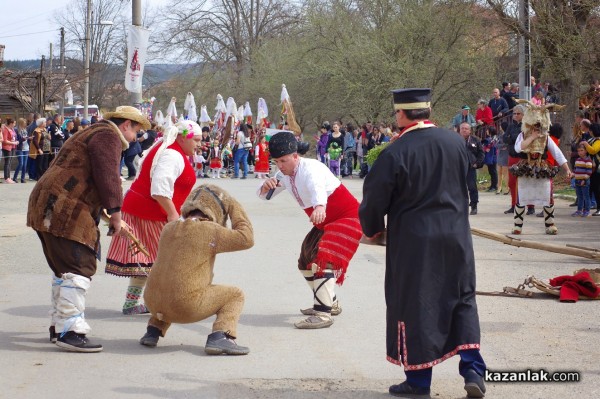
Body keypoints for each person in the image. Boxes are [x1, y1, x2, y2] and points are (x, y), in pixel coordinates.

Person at [359, 88, 487, 399]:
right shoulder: (456, 141)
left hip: (416, 242)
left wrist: (373, 229)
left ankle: (418, 382)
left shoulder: (395, 152)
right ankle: (473, 368)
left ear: (401, 114)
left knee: (415, 304)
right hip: (456, 234)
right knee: (462, 298)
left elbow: (375, 200)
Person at [26, 105, 148, 352]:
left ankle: (59, 327)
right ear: (126, 125)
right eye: (136, 131)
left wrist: (108, 214)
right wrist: (116, 213)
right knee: (78, 265)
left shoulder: (95, 131)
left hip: (50, 204)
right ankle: (70, 331)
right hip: (62, 206)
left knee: (64, 269)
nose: (135, 138)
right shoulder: (108, 135)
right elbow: (108, 176)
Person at [257, 132, 362, 329]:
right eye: (276, 161)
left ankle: (323, 314)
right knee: (305, 260)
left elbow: (317, 188)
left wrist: (320, 206)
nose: (280, 166)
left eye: (283, 161)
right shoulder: (284, 175)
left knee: (323, 259)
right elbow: (266, 196)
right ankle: (331, 303)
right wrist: (265, 187)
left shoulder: (311, 168)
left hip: (347, 217)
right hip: (324, 221)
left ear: (295, 156)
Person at [139, 184, 254, 355]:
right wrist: (234, 206)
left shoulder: (169, 228)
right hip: (184, 307)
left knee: (170, 276)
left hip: (152, 303)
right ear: (217, 210)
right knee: (235, 295)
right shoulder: (210, 230)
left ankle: (153, 330)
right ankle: (221, 336)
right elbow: (247, 238)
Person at [105, 120, 201, 315]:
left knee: (148, 261)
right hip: (150, 212)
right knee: (166, 261)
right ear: (183, 137)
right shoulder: (173, 154)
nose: (199, 144)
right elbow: (159, 190)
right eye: (196, 140)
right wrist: (173, 214)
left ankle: (133, 304)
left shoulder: (166, 147)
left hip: (143, 210)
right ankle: (165, 304)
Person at [509, 103, 572, 235]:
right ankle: (517, 226)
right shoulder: (522, 135)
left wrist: (567, 169)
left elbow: (557, 153)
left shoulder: (546, 137)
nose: (537, 128)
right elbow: (518, 148)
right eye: (534, 126)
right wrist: (532, 137)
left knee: (547, 196)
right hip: (525, 168)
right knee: (522, 197)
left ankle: (550, 225)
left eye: (538, 126)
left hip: (541, 168)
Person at [459, 122, 485, 215]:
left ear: (470, 130)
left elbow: (481, 153)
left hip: (470, 167)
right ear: (459, 129)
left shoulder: (475, 140)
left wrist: (477, 163)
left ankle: (474, 206)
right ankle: (459, 207)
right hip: (458, 168)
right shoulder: (455, 140)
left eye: (466, 128)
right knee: (458, 188)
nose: (464, 130)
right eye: (462, 128)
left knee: (472, 187)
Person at [571, 144, 593, 217]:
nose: (580, 152)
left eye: (582, 150)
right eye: (578, 151)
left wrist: (584, 179)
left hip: (584, 181)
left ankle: (587, 210)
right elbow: (575, 169)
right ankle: (579, 210)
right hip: (577, 180)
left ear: (586, 151)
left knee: (586, 196)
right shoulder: (577, 160)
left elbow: (589, 172)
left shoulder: (588, 160)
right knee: (579, 196)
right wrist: (572, 174)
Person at [1, 118, 18, 183]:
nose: (15, 124)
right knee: (7, 163)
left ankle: (9, 177)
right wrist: (13, 142)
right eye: (14, 123)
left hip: (12, 147)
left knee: (10, 163)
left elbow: (13, 137)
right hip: (7, 148)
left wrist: (15, 141)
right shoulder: (5, 130)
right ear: (11, 123)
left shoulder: (12, 129)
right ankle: (6, 177)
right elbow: (5, 140)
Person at [13, 118, 29, 183]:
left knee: (25, 164)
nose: (25, 124)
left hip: (26, 148)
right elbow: (16, 140)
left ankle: (23, 178)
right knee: (21, 163)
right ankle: (15, 177)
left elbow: (26, 137)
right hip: (19, 148)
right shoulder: (16, 130)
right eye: (24, 123)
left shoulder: (25, 129)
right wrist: (22, 139)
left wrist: (29, 138)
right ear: (21, 123)